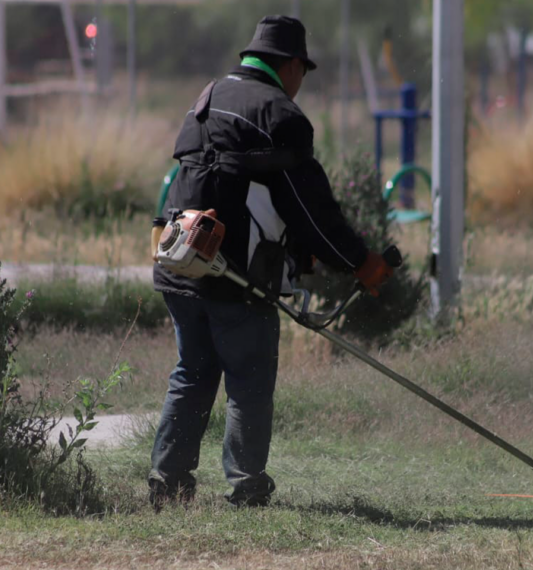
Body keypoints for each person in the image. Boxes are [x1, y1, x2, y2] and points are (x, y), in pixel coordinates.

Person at [149, 15, 393, 508]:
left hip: (178, 263)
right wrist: (360, 261)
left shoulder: (209, 96)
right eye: (303, 70)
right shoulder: (278, 114)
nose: (302, 82)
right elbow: (312, 211)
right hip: (235, 276)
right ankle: (245, 486)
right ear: (290, 65)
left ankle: (168, 483)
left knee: (191, 374)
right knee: (249, 378)